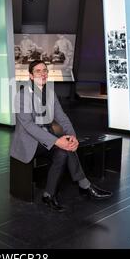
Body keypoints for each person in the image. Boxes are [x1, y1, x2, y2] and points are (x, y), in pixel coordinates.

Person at [10, 60, 112, 212]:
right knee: (62, 147)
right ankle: (85, 186)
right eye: (38, 71)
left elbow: (62, 117)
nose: (42, 74)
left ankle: (49, 195)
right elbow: (28, 126)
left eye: (45, 70)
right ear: (31, 76)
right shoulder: (22, 95)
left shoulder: (50, 94)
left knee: (64, 151)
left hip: (47, 137)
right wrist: (57, 141)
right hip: (29, 142)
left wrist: (72, 137)